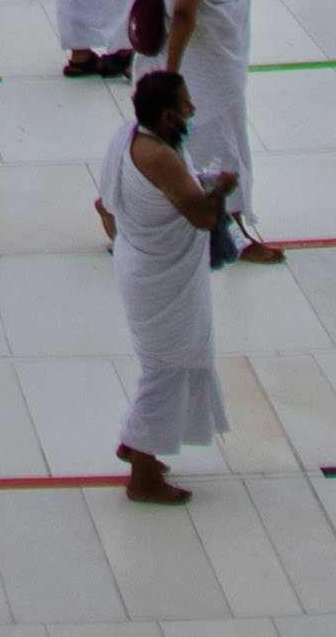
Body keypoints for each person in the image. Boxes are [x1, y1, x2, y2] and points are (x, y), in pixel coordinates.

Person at [95, 69, 238, 504]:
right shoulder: (161, 159)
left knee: (170, 360)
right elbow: (202, 217)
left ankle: (139, 445)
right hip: (161, 279)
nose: (192, 111)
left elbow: (105, 205)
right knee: (167, 368)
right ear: (167, 116)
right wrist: (221, 191)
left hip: (140, 262)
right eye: (185, 106)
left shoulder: (127, 137)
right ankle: (141, 471)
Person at [155, 0, 267, 248]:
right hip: (201, 67)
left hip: (206, 63)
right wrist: (172, 73)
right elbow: (184, 10)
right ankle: (230, 234)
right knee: (217, 144)